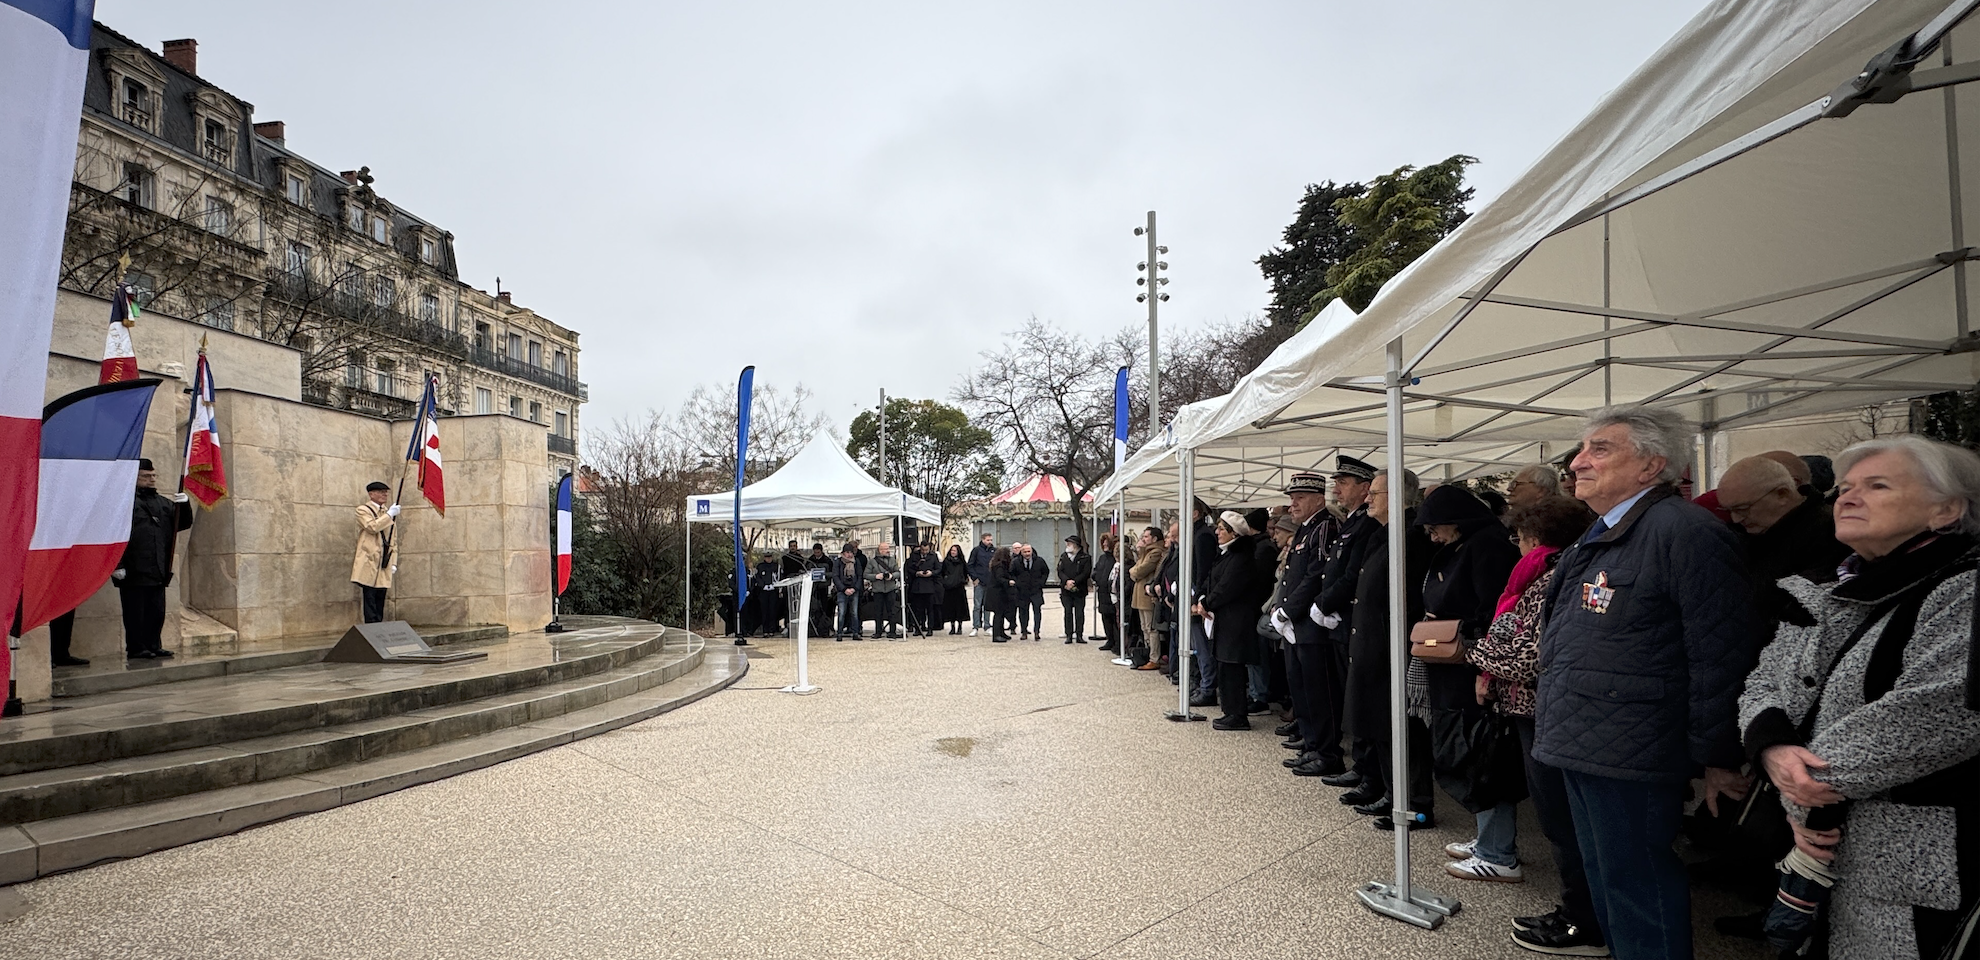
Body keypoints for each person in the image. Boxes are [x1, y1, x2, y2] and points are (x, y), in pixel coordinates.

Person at [1739, 435, 1980, 960]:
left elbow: (1928, 718)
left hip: (1919, 861)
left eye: (1877, 485)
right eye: (1845, 487)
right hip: (1830, 850)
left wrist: (1801, 794)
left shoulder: (1964, 591)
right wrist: (1773, 751)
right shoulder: (1826, 587)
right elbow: (1762, 683)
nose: (1847, 497)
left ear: (1947, 510)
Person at [1535, 405, 1756, 960]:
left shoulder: (1685, 532)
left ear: (1651, 465)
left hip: (1632, 745)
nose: (1579, 461)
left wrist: (1718, 755)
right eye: (1581, 448)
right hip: (1584, 736)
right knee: (1609, 880)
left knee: (1637, 884)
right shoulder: (1607, 530)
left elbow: (1720, 652)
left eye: (1600, 449)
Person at [1467, 495, 1611, 954]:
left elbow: (1527, 654)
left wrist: (1471, 654)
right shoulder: (1541, 574)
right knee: (1558, 820)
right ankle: (1576, 911)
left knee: (1564, 823)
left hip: (1543, 709)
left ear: (1534, 539)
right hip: (1530, 708)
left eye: (1519, 536)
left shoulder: (1551, 577)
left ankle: (1583, 921)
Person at [1415, 485, 1522, 848]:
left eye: (1435, 528)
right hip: (1454, 663)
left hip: (1472, 665)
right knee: (1468, 752)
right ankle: (1487, 840)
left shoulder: (1486, 546)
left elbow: (1495, 611)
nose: (1432, 536)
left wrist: (1484, 667)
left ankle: (1496, 848)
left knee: (1482, 755)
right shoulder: (1464, 545)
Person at [1342, 469, 1435, 829]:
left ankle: (1414, 803)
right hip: (1374, 644)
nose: (1368, 499)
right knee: (1382, 727)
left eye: (1376, 493)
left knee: (1403, 731)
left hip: (1393, 647)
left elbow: (1408, 599)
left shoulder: (1410, 537)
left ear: (1398, 496)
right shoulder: (1385, 534)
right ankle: (1392, 793)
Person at [1301, 456, 1379, 778]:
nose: (1337, 488)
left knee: (1358, 698)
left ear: (1364, 488)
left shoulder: (1368, 523)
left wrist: (1322, 603)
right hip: (1338, 621)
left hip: (1348, 620)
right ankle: (1362, 766)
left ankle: (1367, 769)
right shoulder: (1351, 521)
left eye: (1343, 483)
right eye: (1336, 483)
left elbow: (1351, 575)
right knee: (1348, 695)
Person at [1718, 455, 1850, 627]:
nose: (1736, 519)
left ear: (1782, 494)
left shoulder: (1831, 533)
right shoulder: (1748, 533)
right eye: (1729, 511)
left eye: (1742, 509)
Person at [1276, 470, 1344, 776]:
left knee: (1320, 691)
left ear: (1319, 499)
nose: (1293, 504)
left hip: (1311, 624)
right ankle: (1311, 742)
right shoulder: (1306, 528)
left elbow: (1316, 575)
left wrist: (1288, 610)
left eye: (1300, 497)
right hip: (1297, 625)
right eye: (1292, 498)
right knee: (1301, 686)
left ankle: (1326, 751)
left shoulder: (1325, 527)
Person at [1197, 512, 1274, 730]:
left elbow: (1227, 587)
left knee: (1233, 668)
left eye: (1222, 529)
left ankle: (1237, 714)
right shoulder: (1228, 555)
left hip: (1237, 621)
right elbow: (1213, 581)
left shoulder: (1241, 557)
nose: (1217, 532)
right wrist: (1202, 600)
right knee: (1226, 666)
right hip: (1226, 619)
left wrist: (1208, 603)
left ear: (1234, 533)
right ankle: (1230, 710)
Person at [117, 458, 193, 658]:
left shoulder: (162, 503)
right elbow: (114, 534)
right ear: (135, 477)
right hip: (134, 568)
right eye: (146, 476)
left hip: (158, 567)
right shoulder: (125, 502)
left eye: (153, 476)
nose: (151, 480)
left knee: (156, 611)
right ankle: (136, 647)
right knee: (135, 612)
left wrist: (184, 505)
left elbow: (181, 524)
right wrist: (118, 565)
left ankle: (153, 644)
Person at [351, 480, 398, 627]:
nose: (384, 494)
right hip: (369, 560)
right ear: (371, 494)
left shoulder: (387, 512)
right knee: (370, 595)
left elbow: (393, 540)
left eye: (386, 492)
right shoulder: (363, 510)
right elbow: (372, 526)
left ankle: (379, 626)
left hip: (383, 560)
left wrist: (394, 561)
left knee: (380, 596)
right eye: (380, 492)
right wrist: (389, 515)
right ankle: (371, 627)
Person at [1129, 526, 1166, 669]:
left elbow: (1139, 570)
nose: (1143, 539)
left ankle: (1154, 657)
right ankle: (1147, 654)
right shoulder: (1146, 552)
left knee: (1151, 629)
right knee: (1144, 627)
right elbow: (1135, 568)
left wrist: (1134, 571)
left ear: (1154, 539)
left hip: (1147, 595)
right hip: (1140, 595)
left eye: (1146, 537)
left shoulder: (1156, 552)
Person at [1056, 536, 1093, 642]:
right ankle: (1068, 634)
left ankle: (1079, 634)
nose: (1067, 545)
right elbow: (1060, 571)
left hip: (1079, 589)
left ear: (1076, 545)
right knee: (1067, 612)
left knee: (1079, 613)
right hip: (1066, 589)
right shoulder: (1064, 557)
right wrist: (1067, 581)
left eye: (1070, 543)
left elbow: (1086, 573)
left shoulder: (1085, 557)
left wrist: (1074, 582)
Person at [1012, 542, 1049, 640]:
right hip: (1022, 591)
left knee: (1037, 611)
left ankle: (1037, 631)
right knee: (1023, 612)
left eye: (1029, 551)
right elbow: (1012, 573)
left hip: (1036, 590)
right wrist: (1017, 583)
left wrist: (1041, 583)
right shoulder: (1016, 562)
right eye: (1025, 552)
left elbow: (1045, 572)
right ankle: (1024, 631)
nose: (1027, 554)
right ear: (1021, 552)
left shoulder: (1039, 561)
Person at [866, 542, 902, 639]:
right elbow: (866, 574)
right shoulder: (872, 561)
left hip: (890, 588)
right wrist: (876, 576)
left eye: (888, 548)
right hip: (878, 589)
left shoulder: (892, 560)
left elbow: (898, 573)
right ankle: (878, 632)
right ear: (880, 550)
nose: (887, 550)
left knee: (892, 611)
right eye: (885, 548)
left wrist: (892, 576)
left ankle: (892, 631)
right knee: (878, 612)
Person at [906, 542, 941, 637]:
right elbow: (909, 568)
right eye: (923, 550)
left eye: (926, 550)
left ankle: (930, 628)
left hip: (929, 585)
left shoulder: (933, 556)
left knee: (930, 609)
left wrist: (932, 573)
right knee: (918, 609)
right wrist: (917, 573)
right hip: (917, 585)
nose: (925, 552)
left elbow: (938, 569)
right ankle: (918, 628)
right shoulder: (914, 556)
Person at [1093, 532, 1121, 651]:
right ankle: (1109, 640)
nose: (1104, 545)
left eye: (1106, 542)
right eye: (1103, 542)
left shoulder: (1114, 559)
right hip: (1102, 593)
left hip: (1112, 593)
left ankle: (1117, 641)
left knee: (1114, 619)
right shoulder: (1102, 558)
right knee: (1105, 618)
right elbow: (1095, 571)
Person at [967, 533, 996, 637]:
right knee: (977, 605)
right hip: (979, 582)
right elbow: (970, 565)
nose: (990, 542)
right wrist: (974, 578)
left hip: (990, 582)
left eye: (991, 540)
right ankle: (975, 626)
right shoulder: (976, 551)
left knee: (987, 605)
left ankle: (987, 626)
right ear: (983, 540)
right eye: (988, 540)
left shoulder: (994, 551)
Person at [831, 545, 862, 640]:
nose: (849, 555)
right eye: (847, 552)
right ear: (843, 553)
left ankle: (855, 632)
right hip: (842, 590)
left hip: (854, 590)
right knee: (842, 612)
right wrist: (844, 589)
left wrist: (855, 588)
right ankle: (839, 633)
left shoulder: (856, 562)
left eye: (851, 552)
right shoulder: (838, 562)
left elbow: (860, 576)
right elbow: (835, 576)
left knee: (854, 612)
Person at [939, 544, 970, 634]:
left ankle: (960, 626)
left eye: (955, 550)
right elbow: (942, 573)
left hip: (959, 587)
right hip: (949, 588)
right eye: (952, 550)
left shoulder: (962, 562)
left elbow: (965, 572)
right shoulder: (946, 561)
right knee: (950, 608)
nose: (953, 552)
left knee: (960, 608)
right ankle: (952, 627)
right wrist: (945, 582)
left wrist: (963, 580)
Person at [988, 546, 1016, 642]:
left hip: (1000, 592)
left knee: (1002, 613)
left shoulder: (998, 564)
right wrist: (1008, 582)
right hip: (997, 593)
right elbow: (999, 578)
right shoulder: (999, 566)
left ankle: (1001, 632)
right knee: (998, 614)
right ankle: (996, 635)